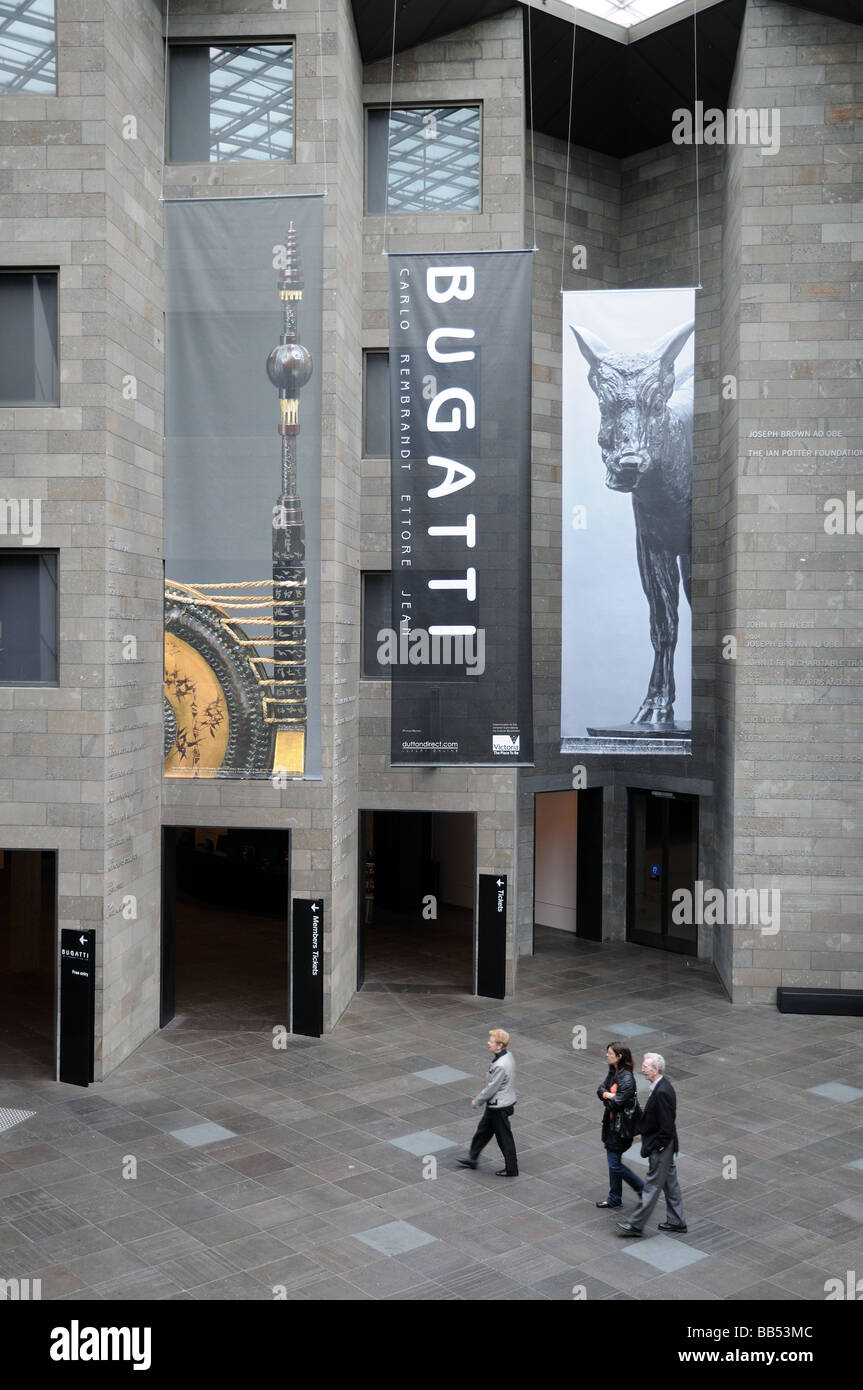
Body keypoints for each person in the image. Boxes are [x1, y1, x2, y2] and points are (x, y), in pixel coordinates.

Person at [617, 1051, 687, 1236]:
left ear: (656, 1069)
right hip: (665, 1145)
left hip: (661, 1147)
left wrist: (659, 1147)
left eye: (646, 1068)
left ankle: (635, 1225)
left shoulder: (662, 1091)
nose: (642, 1070)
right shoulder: (660, 1087)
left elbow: (666, 1125)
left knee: (652, 1185)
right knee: (670, 1184)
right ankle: (677, 1221)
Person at [457, 1027, 518, 1177]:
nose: (488, 1043)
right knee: (482, 1132)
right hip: (497, 1104)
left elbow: (492, 1088)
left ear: (500, 1045)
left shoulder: (501, 1065)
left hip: (499, 1106)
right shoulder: (507, 1055)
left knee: (504, 1139)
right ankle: (473, 1158)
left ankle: (512, 1169)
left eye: (491, 1041)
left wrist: (477, 1101)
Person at [595, 1042, 645, 1210]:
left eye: (609, 1053)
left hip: (621, 1128)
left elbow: (617, 1103)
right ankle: (614, 1197)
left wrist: (607, 1096)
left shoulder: (626, 1078)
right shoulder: (613, 1072)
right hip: (611, 1125)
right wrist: (608, 1095)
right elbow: (600, 1089)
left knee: (614, 1164)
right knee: (613, 1162)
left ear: (619, 1056)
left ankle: (641, 1188)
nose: (606, 1055)